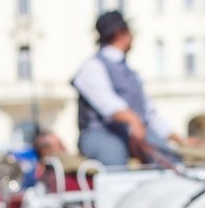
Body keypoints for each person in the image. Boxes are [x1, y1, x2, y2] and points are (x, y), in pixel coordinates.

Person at [72, 10, 183, 166]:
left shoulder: (132, 74)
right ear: (120, 34)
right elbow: (108, 104)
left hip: (132, 133)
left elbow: (149, 113)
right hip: (99, 133)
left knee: (169, 157)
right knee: (114, 155)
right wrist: (133, 120)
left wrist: (178, 140)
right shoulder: (92, 67)